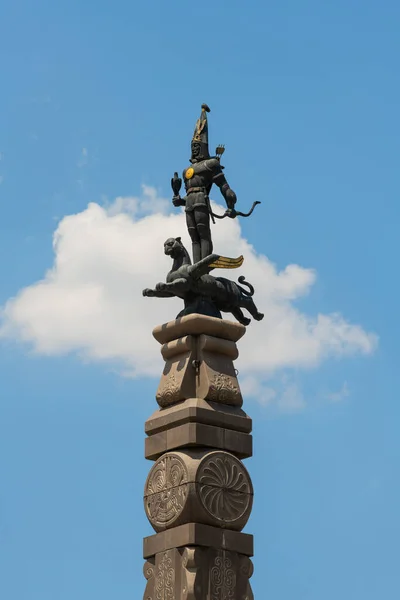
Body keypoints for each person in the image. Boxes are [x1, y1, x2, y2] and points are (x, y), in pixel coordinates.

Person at [172, 104, 238, 264]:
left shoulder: (211, 164)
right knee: (193, 236)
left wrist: (231, 205)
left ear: (204, 147)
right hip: (189, 202)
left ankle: (204, 265)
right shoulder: (186, 171)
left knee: (203, 234)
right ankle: (196, 267)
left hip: (201, 199)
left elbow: (224, 187)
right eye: (192, 147)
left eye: (197, 147)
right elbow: (185, 193)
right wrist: (178, 199)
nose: (194, 150)